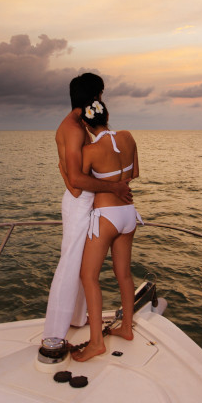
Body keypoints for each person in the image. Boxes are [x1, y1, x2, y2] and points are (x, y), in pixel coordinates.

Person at [40, 74, 131, 358]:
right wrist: (114, 185)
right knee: (71, 265)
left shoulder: (80, 126)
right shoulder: (76, 130)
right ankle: (54, 335)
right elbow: (78, 185)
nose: (102, 98)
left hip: (92, 203)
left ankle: (77, 319)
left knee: (82, 265)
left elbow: (71, 174)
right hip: (81, 204)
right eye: (101, 93)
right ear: (94, 95)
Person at [72, 99, 141, 362]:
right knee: (123, 273)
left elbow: (79, 186)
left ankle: (96, 343)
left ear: (87, 125)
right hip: (128, 213)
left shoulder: (90, 150)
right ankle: (126, 327)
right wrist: (117, 181)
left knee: (88, 276)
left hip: (106, 217)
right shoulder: (127, 137)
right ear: (108, 115)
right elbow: (134, 172)